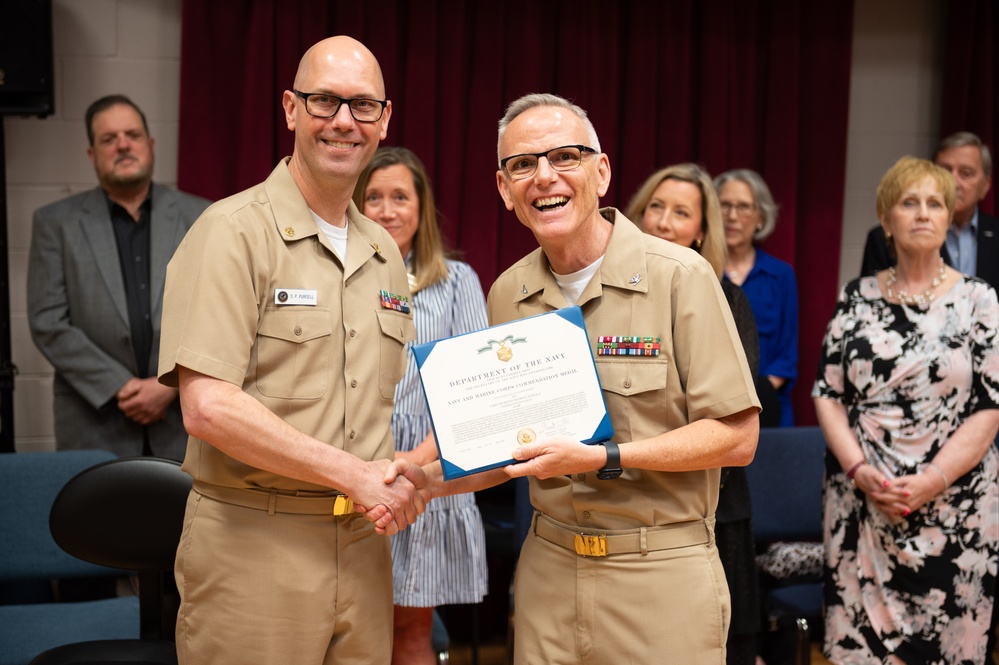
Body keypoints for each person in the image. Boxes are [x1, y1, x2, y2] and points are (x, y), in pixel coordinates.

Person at [372, 93, 761, 664]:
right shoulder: (508, 293)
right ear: (504, 190)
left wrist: (602, 457)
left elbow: (737, 437)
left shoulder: (681, 276)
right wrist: (423, 480)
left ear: (600, 172)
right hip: (548, 576)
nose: (544, 176)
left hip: (659, 574)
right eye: (523, 164)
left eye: (565, 157)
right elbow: (501, 450)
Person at [157, 36, 426, 664]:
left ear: (385, 120)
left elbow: (373, 411)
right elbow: (208, 408)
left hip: (362, 547)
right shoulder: (231, 231)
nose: (343, 122)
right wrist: (356, 476)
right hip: (255, 543)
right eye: (323, 101)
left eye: (363, 106)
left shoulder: (385, 254)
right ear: (289, 109)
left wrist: (409, 473)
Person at [814, 156, 999, 664]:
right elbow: (827, 393)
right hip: (862, 504)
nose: (922, 213)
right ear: (886, 219)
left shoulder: (980, 299)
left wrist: (931, 480)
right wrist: (859, 469)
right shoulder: (856, 296)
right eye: (908, 202)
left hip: (956, 508)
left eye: (935, 203)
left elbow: (990, 406)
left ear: (949, 216)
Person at [353, 146, 488, 665]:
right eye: (374, 197)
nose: (387, 210)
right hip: (353, 463)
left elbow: (473, 390)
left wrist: (412, 463)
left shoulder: (457, 283)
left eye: (400, 197)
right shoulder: (338, 277)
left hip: (428, 470)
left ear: (421, 207)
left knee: (411, 631)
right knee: (348, 630)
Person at [625, 162, 764, 665]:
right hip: (627, 506)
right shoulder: (616, 294)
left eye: (681, 212)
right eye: (655, 207)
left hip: (713, 507)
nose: (662, 221)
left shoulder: (727, 298)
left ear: (703, 231)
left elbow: (730, 411)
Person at [27, 94, 209, 460]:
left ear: (150, 145)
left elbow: (216, 314)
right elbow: (48, 322)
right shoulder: (55, 224)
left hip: (183, 421)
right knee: (96, 519)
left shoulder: (202, 215)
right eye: (109, 139)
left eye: (133, 135)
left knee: (178, 519)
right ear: (92, 155)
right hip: (95, 421)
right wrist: (119, 387)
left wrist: (169, 385)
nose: (123, 145)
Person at [714, 169, 799, 427]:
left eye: (743, 207)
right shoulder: (699, 269)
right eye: (725, 205)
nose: (732, 216)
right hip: (709, 407)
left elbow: (786, 357)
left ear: (760, 216)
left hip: (766, 405)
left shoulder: (781, 275)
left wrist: (752, 400)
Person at [860, 132, 998, 290]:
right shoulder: (883, 238)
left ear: (985, 186)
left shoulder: (981, 295)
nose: (953, 182)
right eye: (945, 172)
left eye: (965, 173)